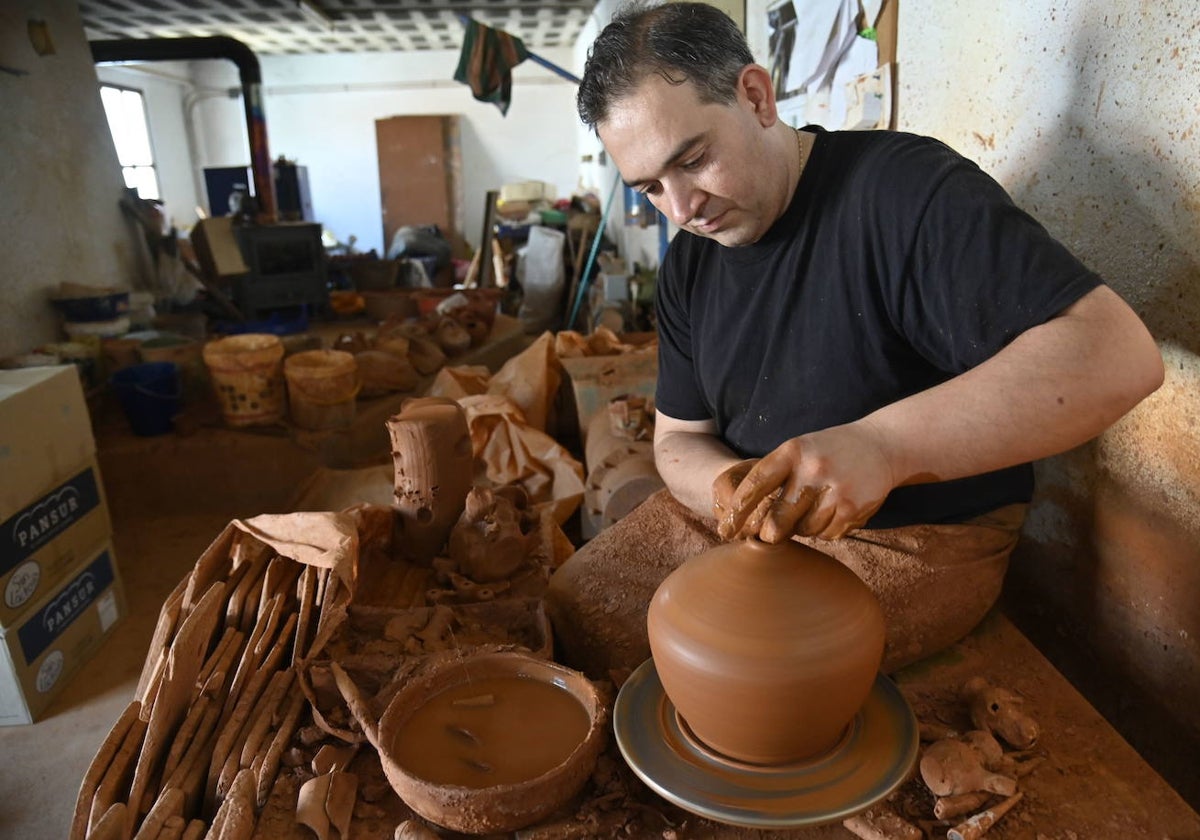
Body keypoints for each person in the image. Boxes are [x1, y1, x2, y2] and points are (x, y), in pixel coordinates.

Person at [563, 1, 1164, 671]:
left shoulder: (903, 193)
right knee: (577, 610)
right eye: (650, 188)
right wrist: (733, 489)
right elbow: (678, 439)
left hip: (912, 538)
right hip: (755, 524)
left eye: (695, 160)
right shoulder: (689, 263)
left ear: (756, 97)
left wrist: (883, 447)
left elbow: (1119, 355)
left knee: (741, 670)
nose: (681, 208)